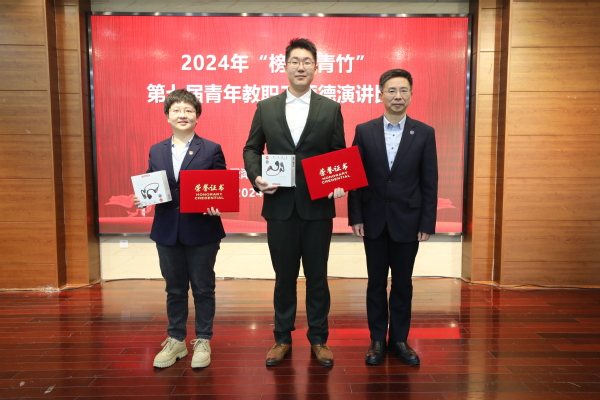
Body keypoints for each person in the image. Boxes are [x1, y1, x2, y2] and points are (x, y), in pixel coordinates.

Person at [243, 38, 346, 367]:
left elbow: (339, 154)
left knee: (318, 277)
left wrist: (339, 181)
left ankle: (319, 339)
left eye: (307, 62)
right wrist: (257, 176)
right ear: (285, 66)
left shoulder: (331, 108)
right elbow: (251, 148)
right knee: (284, 277)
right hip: (280, 207)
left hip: (317, 208)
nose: (301, 67)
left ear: (316, 67)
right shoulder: (266, 107)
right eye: (295, 61)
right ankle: (282, 338)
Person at [348, 69, 438, 366]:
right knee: (375, 282)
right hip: (373, 218)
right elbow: (355, 177)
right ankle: (377, 339)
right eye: (391, 90)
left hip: (408, 221)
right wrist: (356, 216)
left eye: (403, 90)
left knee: (402, 283)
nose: (397, 96)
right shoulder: (365, 130)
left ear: (410, 95)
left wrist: (427, 222)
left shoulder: (424, 132)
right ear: (380, 94)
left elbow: (430, 181)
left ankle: (399, 339)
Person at [133, 89, 226, 369]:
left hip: (202, 229)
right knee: (174, 289)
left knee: (203, 288)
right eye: (176, 110)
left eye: (188, 110)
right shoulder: (156, 149)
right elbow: (153, 182)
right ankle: (176, 340)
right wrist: (143, 197)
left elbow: (220, 186)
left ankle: (203, 340)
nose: (182, 115)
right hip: (166, 229)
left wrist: (217, 202)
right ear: (167, 116)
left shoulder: (211, 148)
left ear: (197, 116)